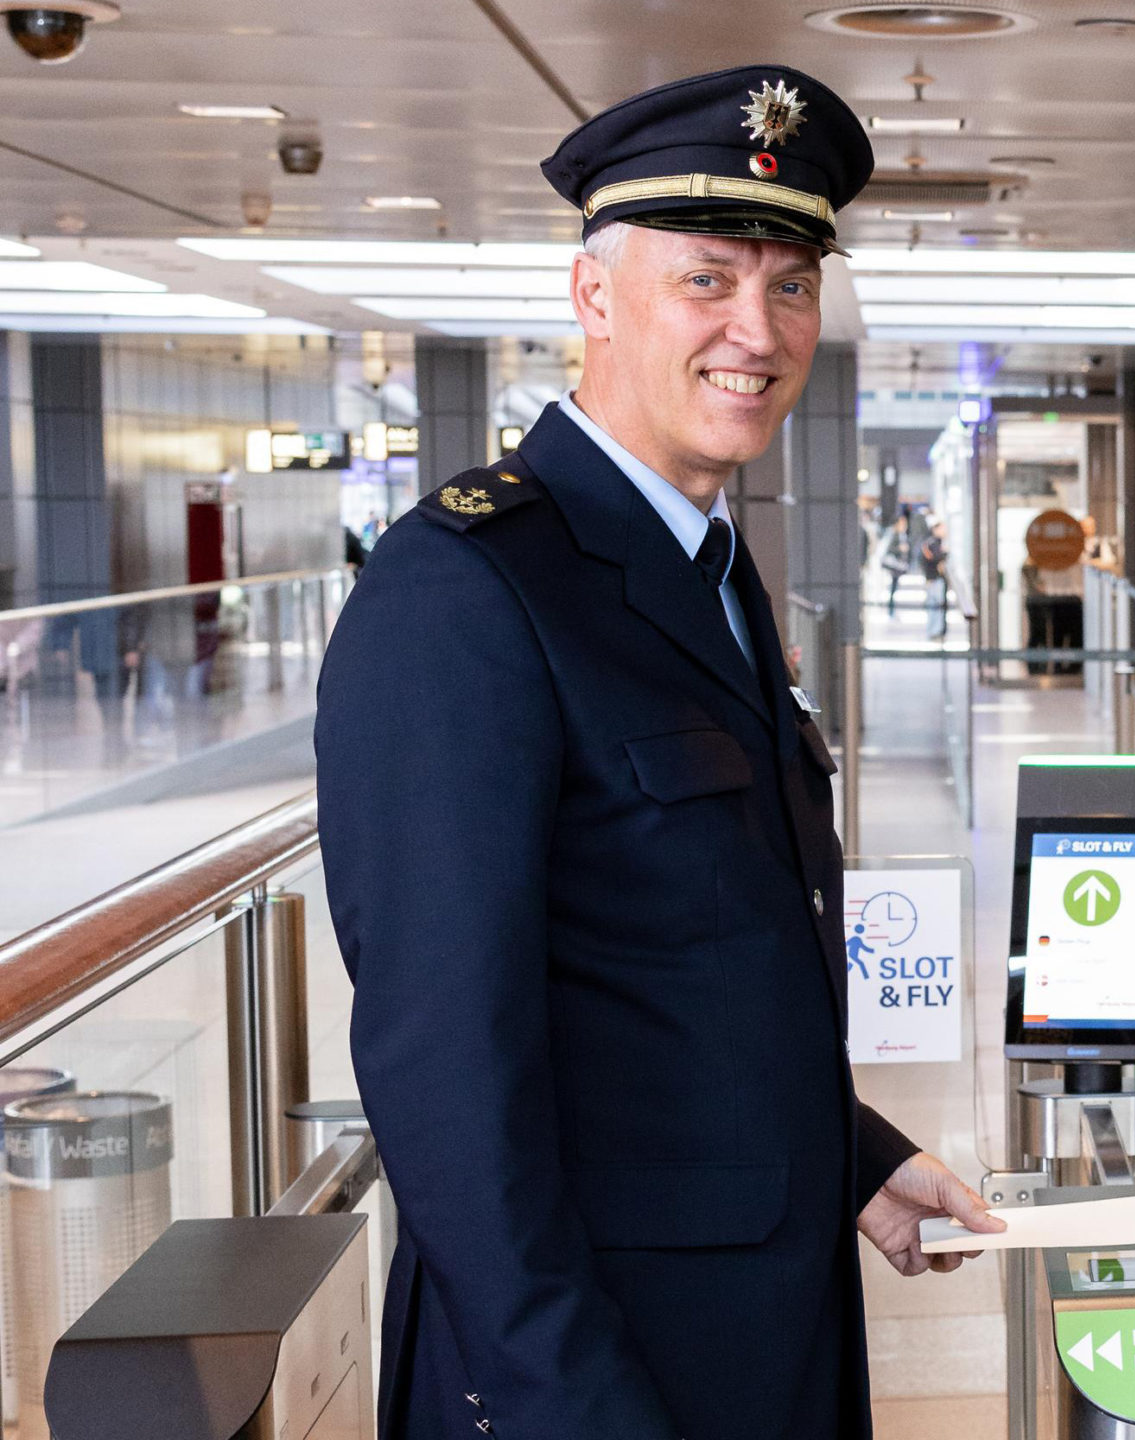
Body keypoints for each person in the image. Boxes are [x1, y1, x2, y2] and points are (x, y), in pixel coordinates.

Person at [314, 66, 1002, 1440]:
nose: (759, 329)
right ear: (593, 295)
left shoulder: (708, 567)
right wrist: (575, 1406)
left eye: (791, 285)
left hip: (761, 1322)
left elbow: (687, 966)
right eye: (706, 279)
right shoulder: (470, 586)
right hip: (597, 1367)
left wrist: (854, 1159)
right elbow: (445, 1072)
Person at [919, 517, 949, 640]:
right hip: (934, 579)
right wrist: (945, 554)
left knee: (936, 608)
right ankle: (934, 632)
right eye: (942, 528)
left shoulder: (936, 543)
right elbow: (933, 558)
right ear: (935, 529)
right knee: (935, 607)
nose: (945, 531)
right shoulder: (931, 544)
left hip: (935, 580)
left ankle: (936, 631)